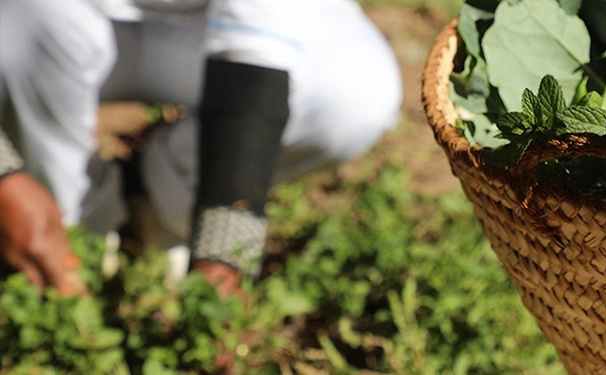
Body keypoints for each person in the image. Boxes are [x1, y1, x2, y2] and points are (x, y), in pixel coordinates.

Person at [0, 0, 402, 298]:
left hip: (199, 26)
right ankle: (70, 220)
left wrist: (222, 257)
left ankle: (155, 196)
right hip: (40, 22)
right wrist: (5, 175)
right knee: (22, 24)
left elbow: (253, 60)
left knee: (353, 93)